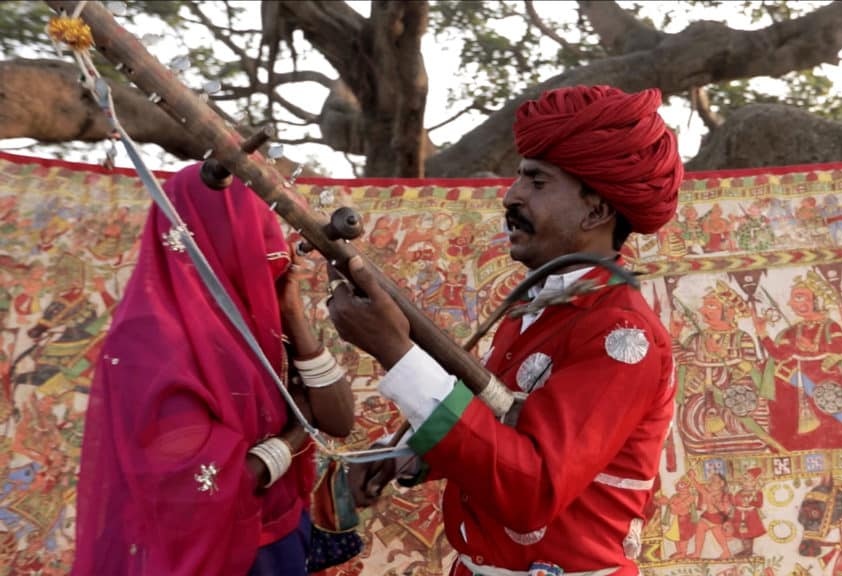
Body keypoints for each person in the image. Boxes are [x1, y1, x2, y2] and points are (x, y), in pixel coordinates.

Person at [328, 85, 683, 575]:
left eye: (536, 182)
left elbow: (531, 488)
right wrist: (406, 455)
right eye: (519, 178)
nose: (511, 196)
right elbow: (501, 432)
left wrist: (395, 349)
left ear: (596, 210)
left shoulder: (621, 334)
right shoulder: (533, 308)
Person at [72, 164, 355, 575]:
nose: (267, 248)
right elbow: (200, 488)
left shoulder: (258, 318)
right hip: (211, 557)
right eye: (251, 232)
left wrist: (290, 309)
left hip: (283, 542)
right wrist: (295, 437)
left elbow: (339, 420)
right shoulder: (148, 341)